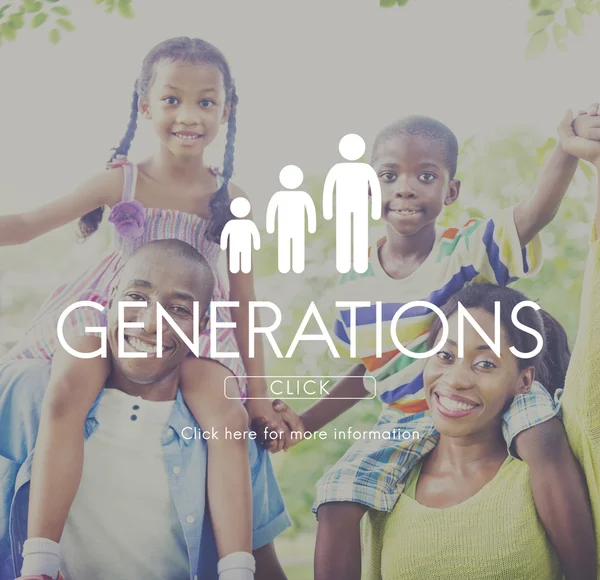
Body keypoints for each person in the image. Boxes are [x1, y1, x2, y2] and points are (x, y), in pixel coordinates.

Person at [0, 37, 287, 580]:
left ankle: (236, 568)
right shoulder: (123, 179)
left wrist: (258, 397)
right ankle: (39, 560)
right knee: (66, 386)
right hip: (113, 319)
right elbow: (26, 224)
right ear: (145, 106)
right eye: (172, 99)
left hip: (188, 333)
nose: (188, 115)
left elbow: (245, 303)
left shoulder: (231, 199)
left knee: (223, 414)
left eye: (206, 102)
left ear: (226, 111)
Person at [276, 108, 600, 579]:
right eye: (389, 176)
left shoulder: (464, 251)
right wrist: (306, 423)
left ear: (449, 192)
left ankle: (583, 570)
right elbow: (371, 373)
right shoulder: (350, 288)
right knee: (336, 497)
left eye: (424, 176)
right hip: (404, 418)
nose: (405, 187)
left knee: (543, 434)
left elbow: (533, 215)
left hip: (488, 394)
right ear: (372, 191)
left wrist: (565, 152)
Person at [0, 239, 292, 580]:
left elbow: (265, 560)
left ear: (202, 326)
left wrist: (258, 396)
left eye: (179, 309)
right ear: (110, 300)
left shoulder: (227, 425)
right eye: (137, 297)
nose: (152, 322)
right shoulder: (29, 394)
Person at [361, 283, 593, 579]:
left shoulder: (541, 475)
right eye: (445, 356)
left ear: (525, 381)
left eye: (485, 364)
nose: (456, 380)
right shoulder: (389, 487)